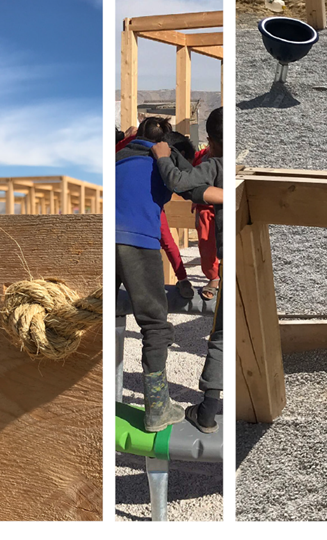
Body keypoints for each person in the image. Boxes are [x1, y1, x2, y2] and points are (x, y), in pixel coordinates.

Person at [115, 117, 194, 431]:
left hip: (99, 236)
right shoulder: (163, 158)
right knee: (154, 323)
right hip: (137, 241)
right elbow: (190, 186)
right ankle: (157, 408)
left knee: (93, 313)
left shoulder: (119, 156)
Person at [150, 107, 224, 433]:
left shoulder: (215, 164)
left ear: (211, 140)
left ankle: (207, 412)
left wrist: (164, 156)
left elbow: (181, 183)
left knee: (222, 336)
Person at [191, 144, 221, 300]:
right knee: (206, 244)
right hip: (205, 207)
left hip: (225, 203)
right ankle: (213, 277)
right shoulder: (201, 157)